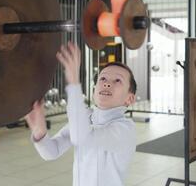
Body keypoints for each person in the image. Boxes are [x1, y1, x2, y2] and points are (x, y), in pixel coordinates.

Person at [25, 42, 137, 186]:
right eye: (102, 78)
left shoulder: (125, 129)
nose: (107, 83)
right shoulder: (86, 117)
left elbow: (83, 138)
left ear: (130, 99)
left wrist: (73, 83)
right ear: (93, 90)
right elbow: (51, 152)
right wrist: (39, 132)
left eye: (117, 80)